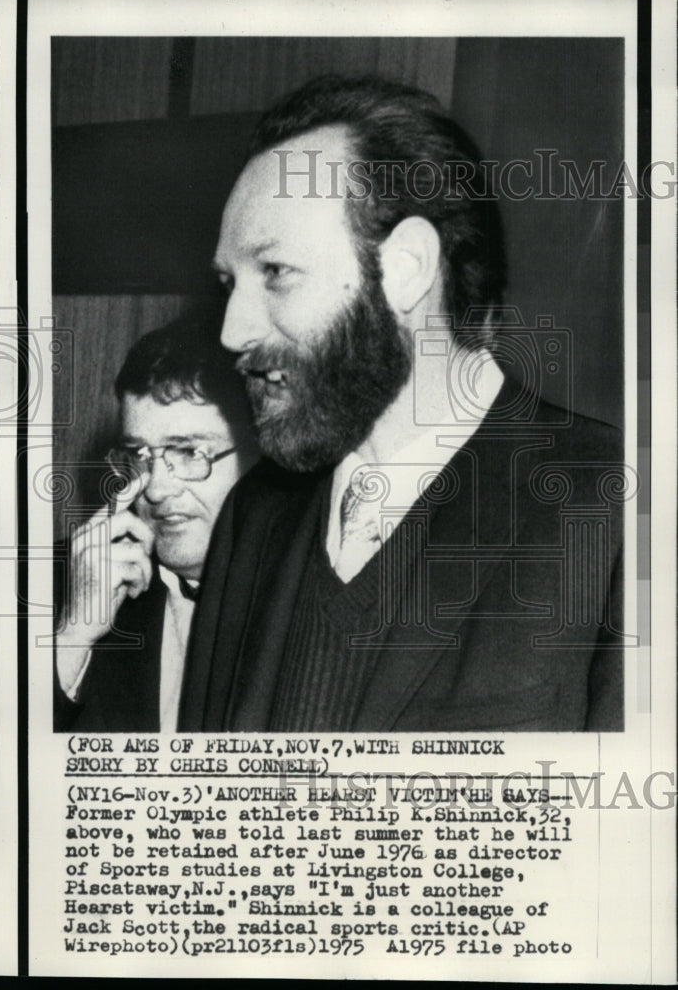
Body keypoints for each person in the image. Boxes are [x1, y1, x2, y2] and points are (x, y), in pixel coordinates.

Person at [180, 74, 625, 732]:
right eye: (229, 283)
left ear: (407, 266)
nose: (232, 331)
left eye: (275, 272)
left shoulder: (617, 505)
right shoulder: (255, 516)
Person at [54, 321, 256, 731]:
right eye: (139, 454)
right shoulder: (55, 582)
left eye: (188, 451)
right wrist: (72, 637)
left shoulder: (311, 582)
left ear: (260, 452)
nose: (157, 488)